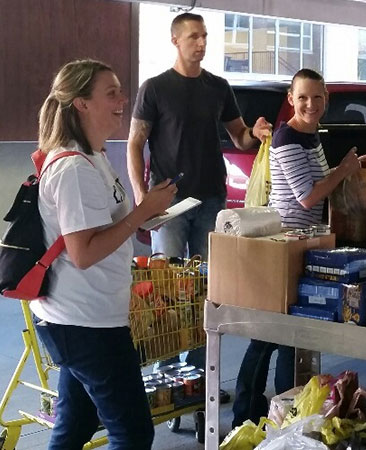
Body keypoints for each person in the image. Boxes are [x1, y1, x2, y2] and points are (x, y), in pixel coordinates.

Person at [31, 59, 177, 449]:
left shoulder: (94, 157)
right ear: (81, 103)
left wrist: (141, 220)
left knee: (75, 427)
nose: (122, 100)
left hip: (83, 320)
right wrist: (141, 213)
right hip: (85, 326)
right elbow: (83, 252)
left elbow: (101, 229)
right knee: (131, 433)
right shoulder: (74, 169)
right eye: (110, 93)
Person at [127, 12, 272, 374]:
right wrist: (141, 196)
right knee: (168, 291)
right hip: (170, 202)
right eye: (194, 36)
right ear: (176, 40)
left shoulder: (218, 87)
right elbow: (135, 144)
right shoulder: (156, 88)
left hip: (211, 199)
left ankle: (198, 376)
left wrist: (255, 133)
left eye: (205, 36)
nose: (202, 43)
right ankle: (167, 377)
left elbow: (239, 136)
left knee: (206, 291)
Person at [232, 68, 363, 427]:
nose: (310, 104)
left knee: (293, 332)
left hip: (304, 242)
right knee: (267, 333)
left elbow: (314, 182)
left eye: (317, 97)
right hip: (284, 242)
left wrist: (346, 168)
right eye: (302, 97)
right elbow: (307, 197)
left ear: (326, 99)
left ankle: (286, 411)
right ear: (291, 99)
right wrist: (345, 169)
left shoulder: (311, 135)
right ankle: (244, 414)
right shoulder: (288, 137)